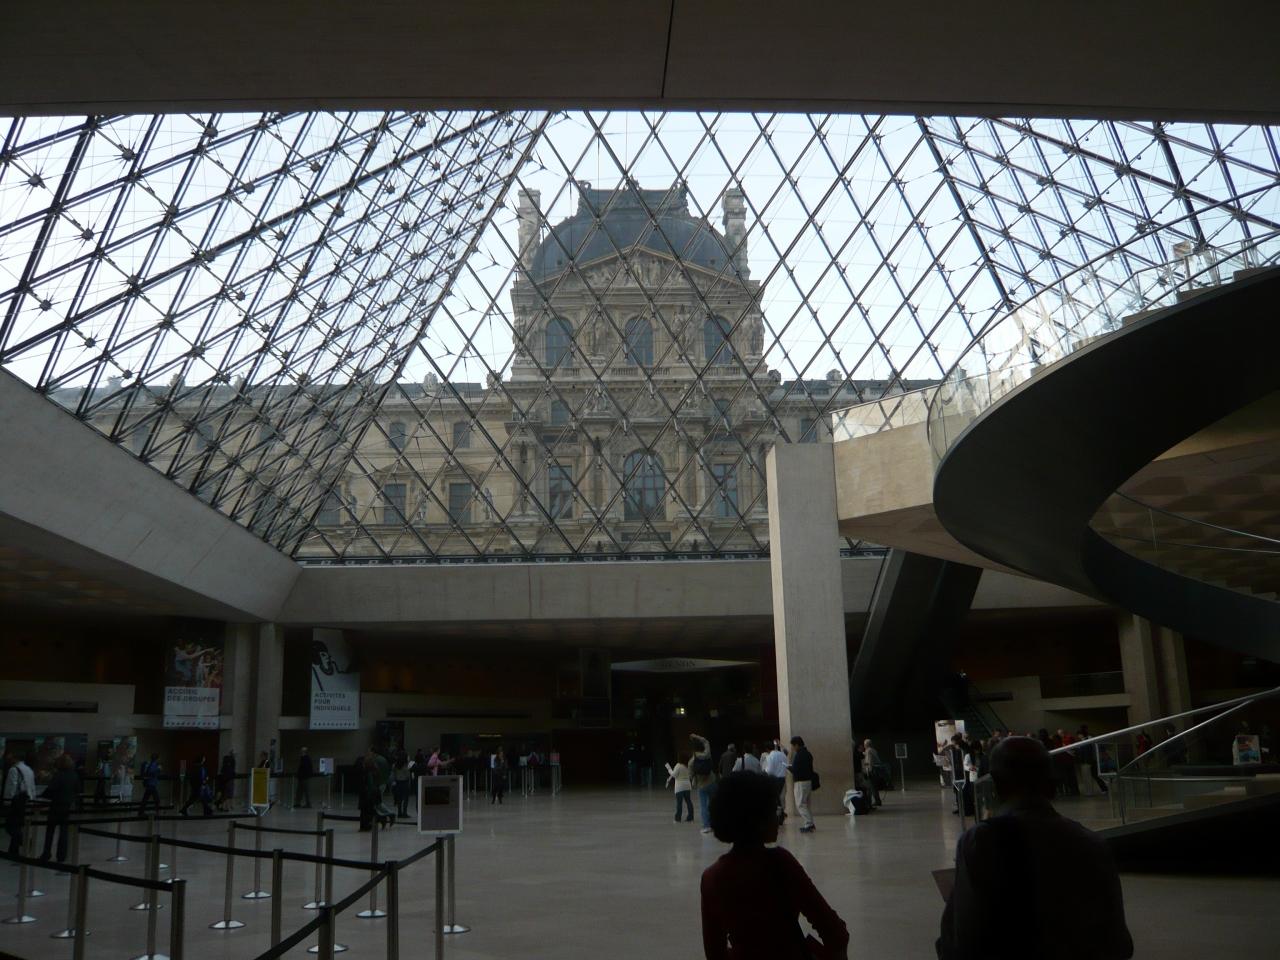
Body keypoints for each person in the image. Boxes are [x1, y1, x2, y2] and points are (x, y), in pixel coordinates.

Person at [936, 737, 1133, 960]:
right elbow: (1119, 943)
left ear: (996, 784)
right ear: (1052, 784)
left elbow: (962, 938)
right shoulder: (1091, 843)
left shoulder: (980, 842)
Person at [701, 772, 849, 959]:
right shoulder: (780, 863)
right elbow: (833, 929)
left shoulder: (712, 877)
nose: (778, 819)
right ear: (757, 820)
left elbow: (714, 951)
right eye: (773, 811)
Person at [40, 754, 79, 862]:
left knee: (50, 831)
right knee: (64, 831)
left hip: (56, 805)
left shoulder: (58, 775)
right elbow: (77, 790)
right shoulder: (74, 775)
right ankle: (61, 855)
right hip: (67, 806)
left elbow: (51, 790)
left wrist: (42, 796)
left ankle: (46, 853)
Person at [4, 750, 36, 855]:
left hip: (15, 802)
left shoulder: (13, 770)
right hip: (26, 801)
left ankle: (23, 840)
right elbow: (32, 786)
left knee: (10, 826)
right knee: (17, 825)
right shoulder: (29, 769)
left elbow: (11, 787)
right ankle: (13, 850)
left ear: (15, 758)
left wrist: (7, 802)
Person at [788, 736, 816, 833]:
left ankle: (808, 824)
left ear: (796, 745)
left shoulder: (799, 755)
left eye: (793, 746)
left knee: (800, 804)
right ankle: (811, 823)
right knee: (806, 804)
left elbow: (796, 770)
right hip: (808, 781)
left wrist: (789, 768)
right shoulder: (808, 754)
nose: (792, 748)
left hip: (800, 782)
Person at [690, 734, 716, 834]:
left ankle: (706, 826)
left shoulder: (692, 760)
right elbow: (706, 741)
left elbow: (691, 774)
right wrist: (696, 736)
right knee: (712, 804)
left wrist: (693, 781)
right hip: (712, 782)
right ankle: (714, 824)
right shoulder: (707, 754)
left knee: (703, 805)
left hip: (701, 785)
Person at [763, 739, 789, 823]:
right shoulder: (782, 754)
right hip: (783, 778)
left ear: (767, 749)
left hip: (774, 779)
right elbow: (786, 752)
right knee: (778, 797)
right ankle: (781, 814)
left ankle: (779, 816)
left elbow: (769, 770)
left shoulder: (770, 756)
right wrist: (780, 744)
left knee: (775, 798)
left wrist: (764, 771)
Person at [668, 754, 694, 823]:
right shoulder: (688, 766)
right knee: (688, 801)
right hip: (687, 786)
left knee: (679, 803)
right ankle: (690, 817)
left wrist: (669, 770)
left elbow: (674, 775)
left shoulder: (678, 765)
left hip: (679, 787)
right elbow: (691, 775)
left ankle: (678, 818)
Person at [861, 739, 884, 808]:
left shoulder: (868, 751)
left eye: (864, 744)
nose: (864, 746)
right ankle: (875, 801)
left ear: (866, 745)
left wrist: (867, 771)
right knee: (873, 786)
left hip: (872, 771)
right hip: (876, 771)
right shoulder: (873, 750)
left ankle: (876, 801)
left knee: (871, 786)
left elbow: (869, 762)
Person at [392, 751, 412, 818]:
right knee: (406, 799)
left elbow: (394, 774)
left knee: (399, 799)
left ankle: (399, 813)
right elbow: (407, 776)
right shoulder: (406, 766)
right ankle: (404, 813)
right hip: (405, 783)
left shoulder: (395, 765)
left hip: (398, 783)